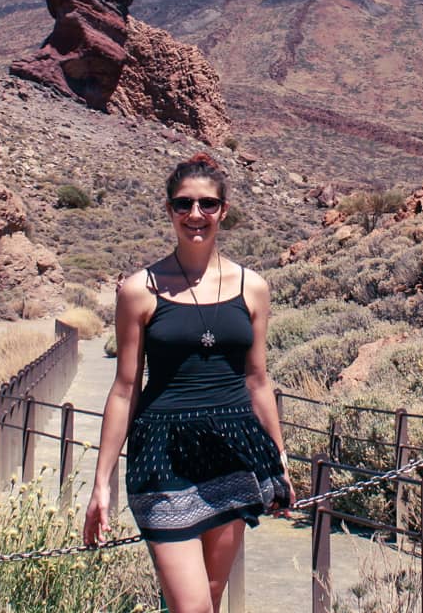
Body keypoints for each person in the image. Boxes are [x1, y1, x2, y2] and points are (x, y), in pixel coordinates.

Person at [84, 153, 294, 613]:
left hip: (233, 448)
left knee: (212, 599)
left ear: (224, 210)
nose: (195, 215)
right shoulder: (139, 290)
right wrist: (102, 483)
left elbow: (258, 379)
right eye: (183, 204)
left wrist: (277, 457)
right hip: (162, 453)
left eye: (207, 204)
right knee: (192, 606)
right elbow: (124, 389)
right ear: (169, 210)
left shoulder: (252, 286)